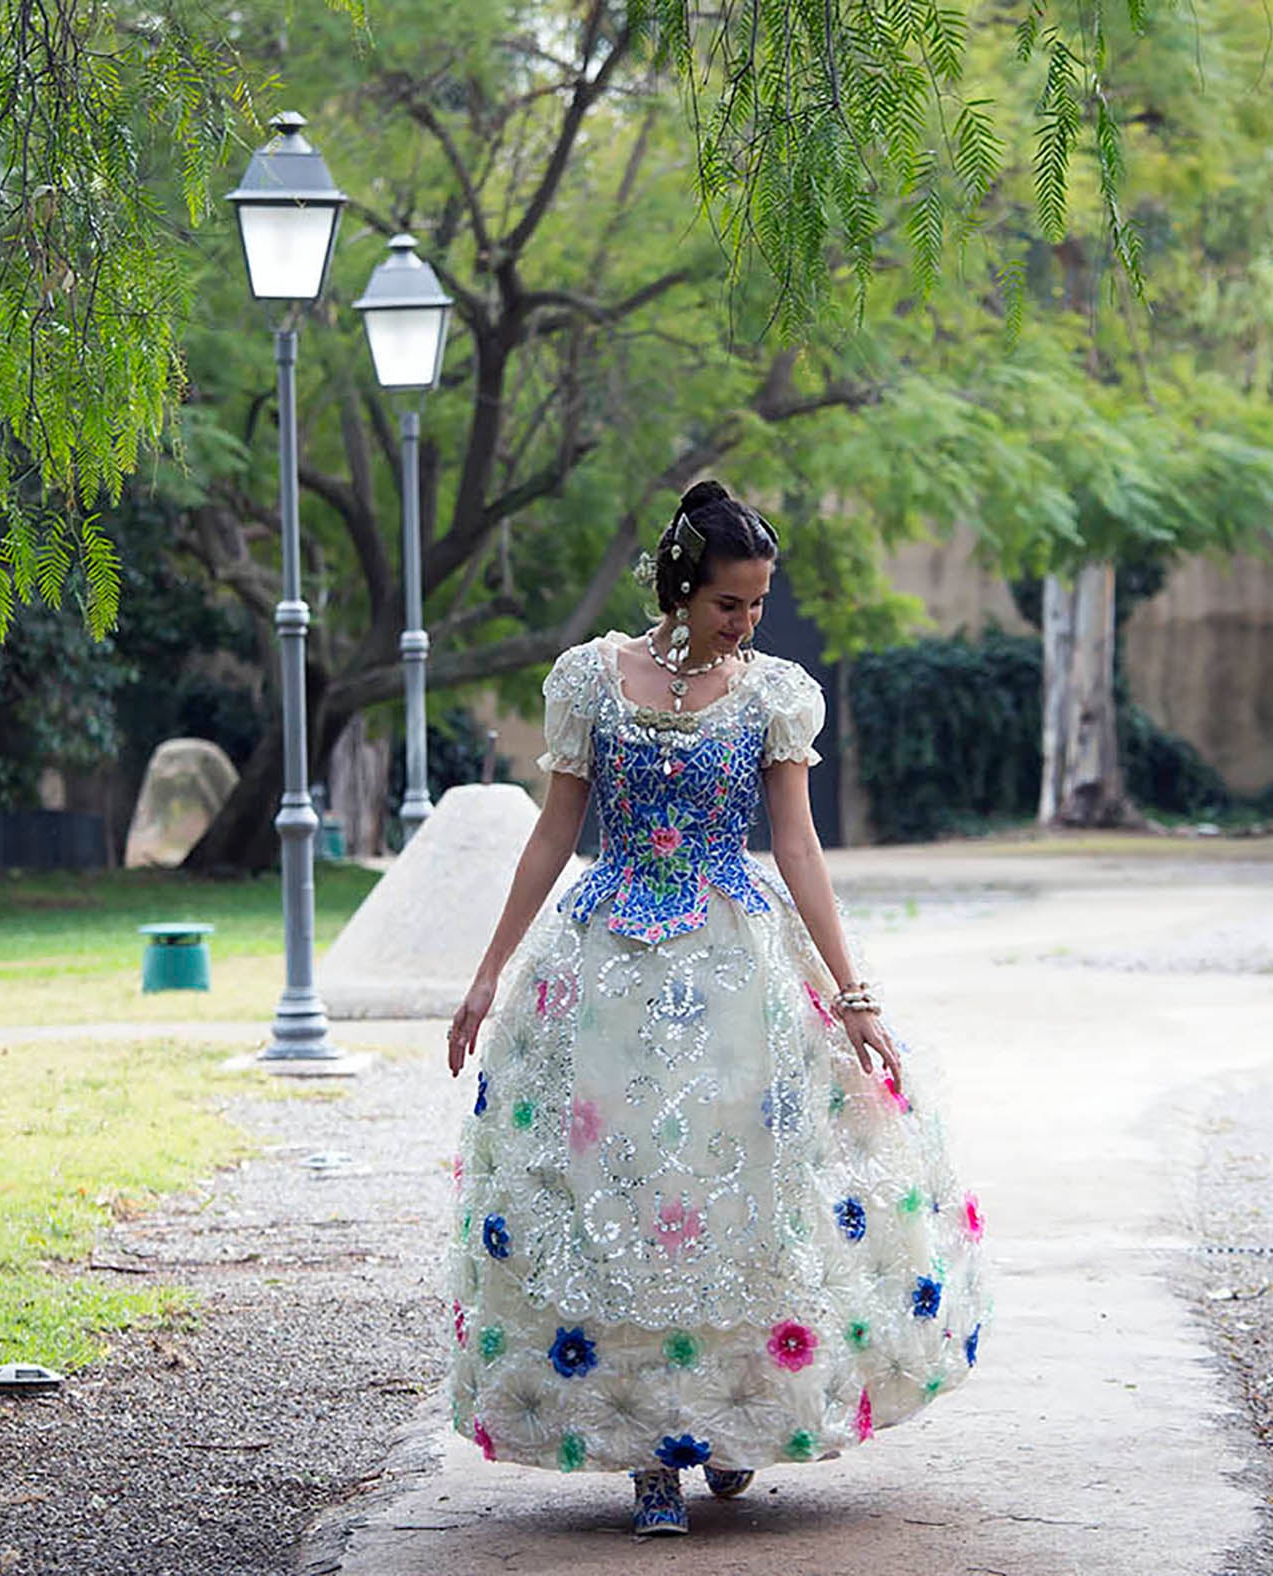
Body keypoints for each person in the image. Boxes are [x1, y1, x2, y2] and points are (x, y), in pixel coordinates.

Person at [443, 479, 990, 1537]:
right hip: (606, 965)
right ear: (681, 588)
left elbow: (796, 843)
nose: (747, 622)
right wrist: (486, 972)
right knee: (624, 1190)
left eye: (757, 604)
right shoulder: (593, 680)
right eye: (731, 603)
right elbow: (556, 832)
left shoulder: (774, 692)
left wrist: (853, 993)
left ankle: (735, 1417)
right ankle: (647, 1452)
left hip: (738, 959)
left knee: (739, 1188)